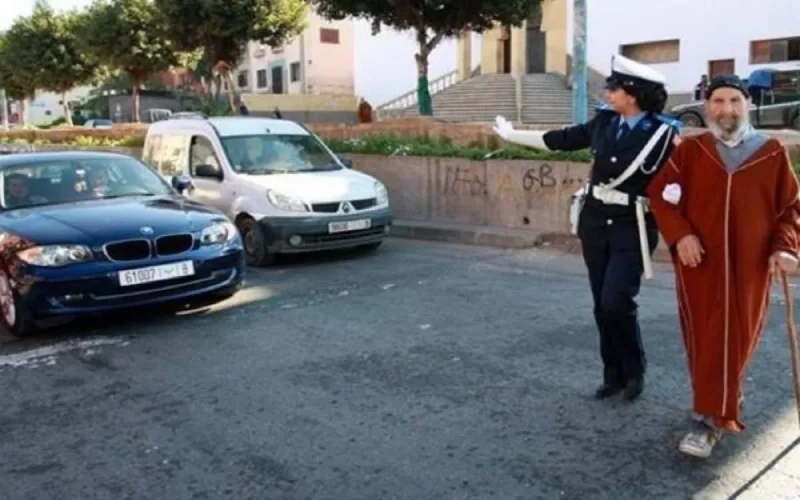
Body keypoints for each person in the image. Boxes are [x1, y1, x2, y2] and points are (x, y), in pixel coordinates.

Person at [493, 54, 680, 401]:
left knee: (617, 300)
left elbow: (684, 175)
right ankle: (613, 373)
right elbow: (562, 139)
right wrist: (512, 135)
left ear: (634, 93)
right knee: (600, 302)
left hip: (632, 225)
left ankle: (634, 371)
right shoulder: (605, 123)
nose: (608, 94)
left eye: (615, 89)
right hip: (595, 222)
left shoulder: (664, 135)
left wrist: (676, 192)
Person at [646, 75, 800, 458]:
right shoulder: (691, 152)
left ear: (747, 104)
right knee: (705, 337)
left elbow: (790, 209)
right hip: (699, 265)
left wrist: (785, 247)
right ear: (707, 104)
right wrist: (681, 236)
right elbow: (662, 198)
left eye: (734, 100)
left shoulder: (771, 153)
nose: (725, 109)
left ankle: (714, 410)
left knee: (737, 337)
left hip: (751, 267)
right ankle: (712, 412)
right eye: (717, 101)